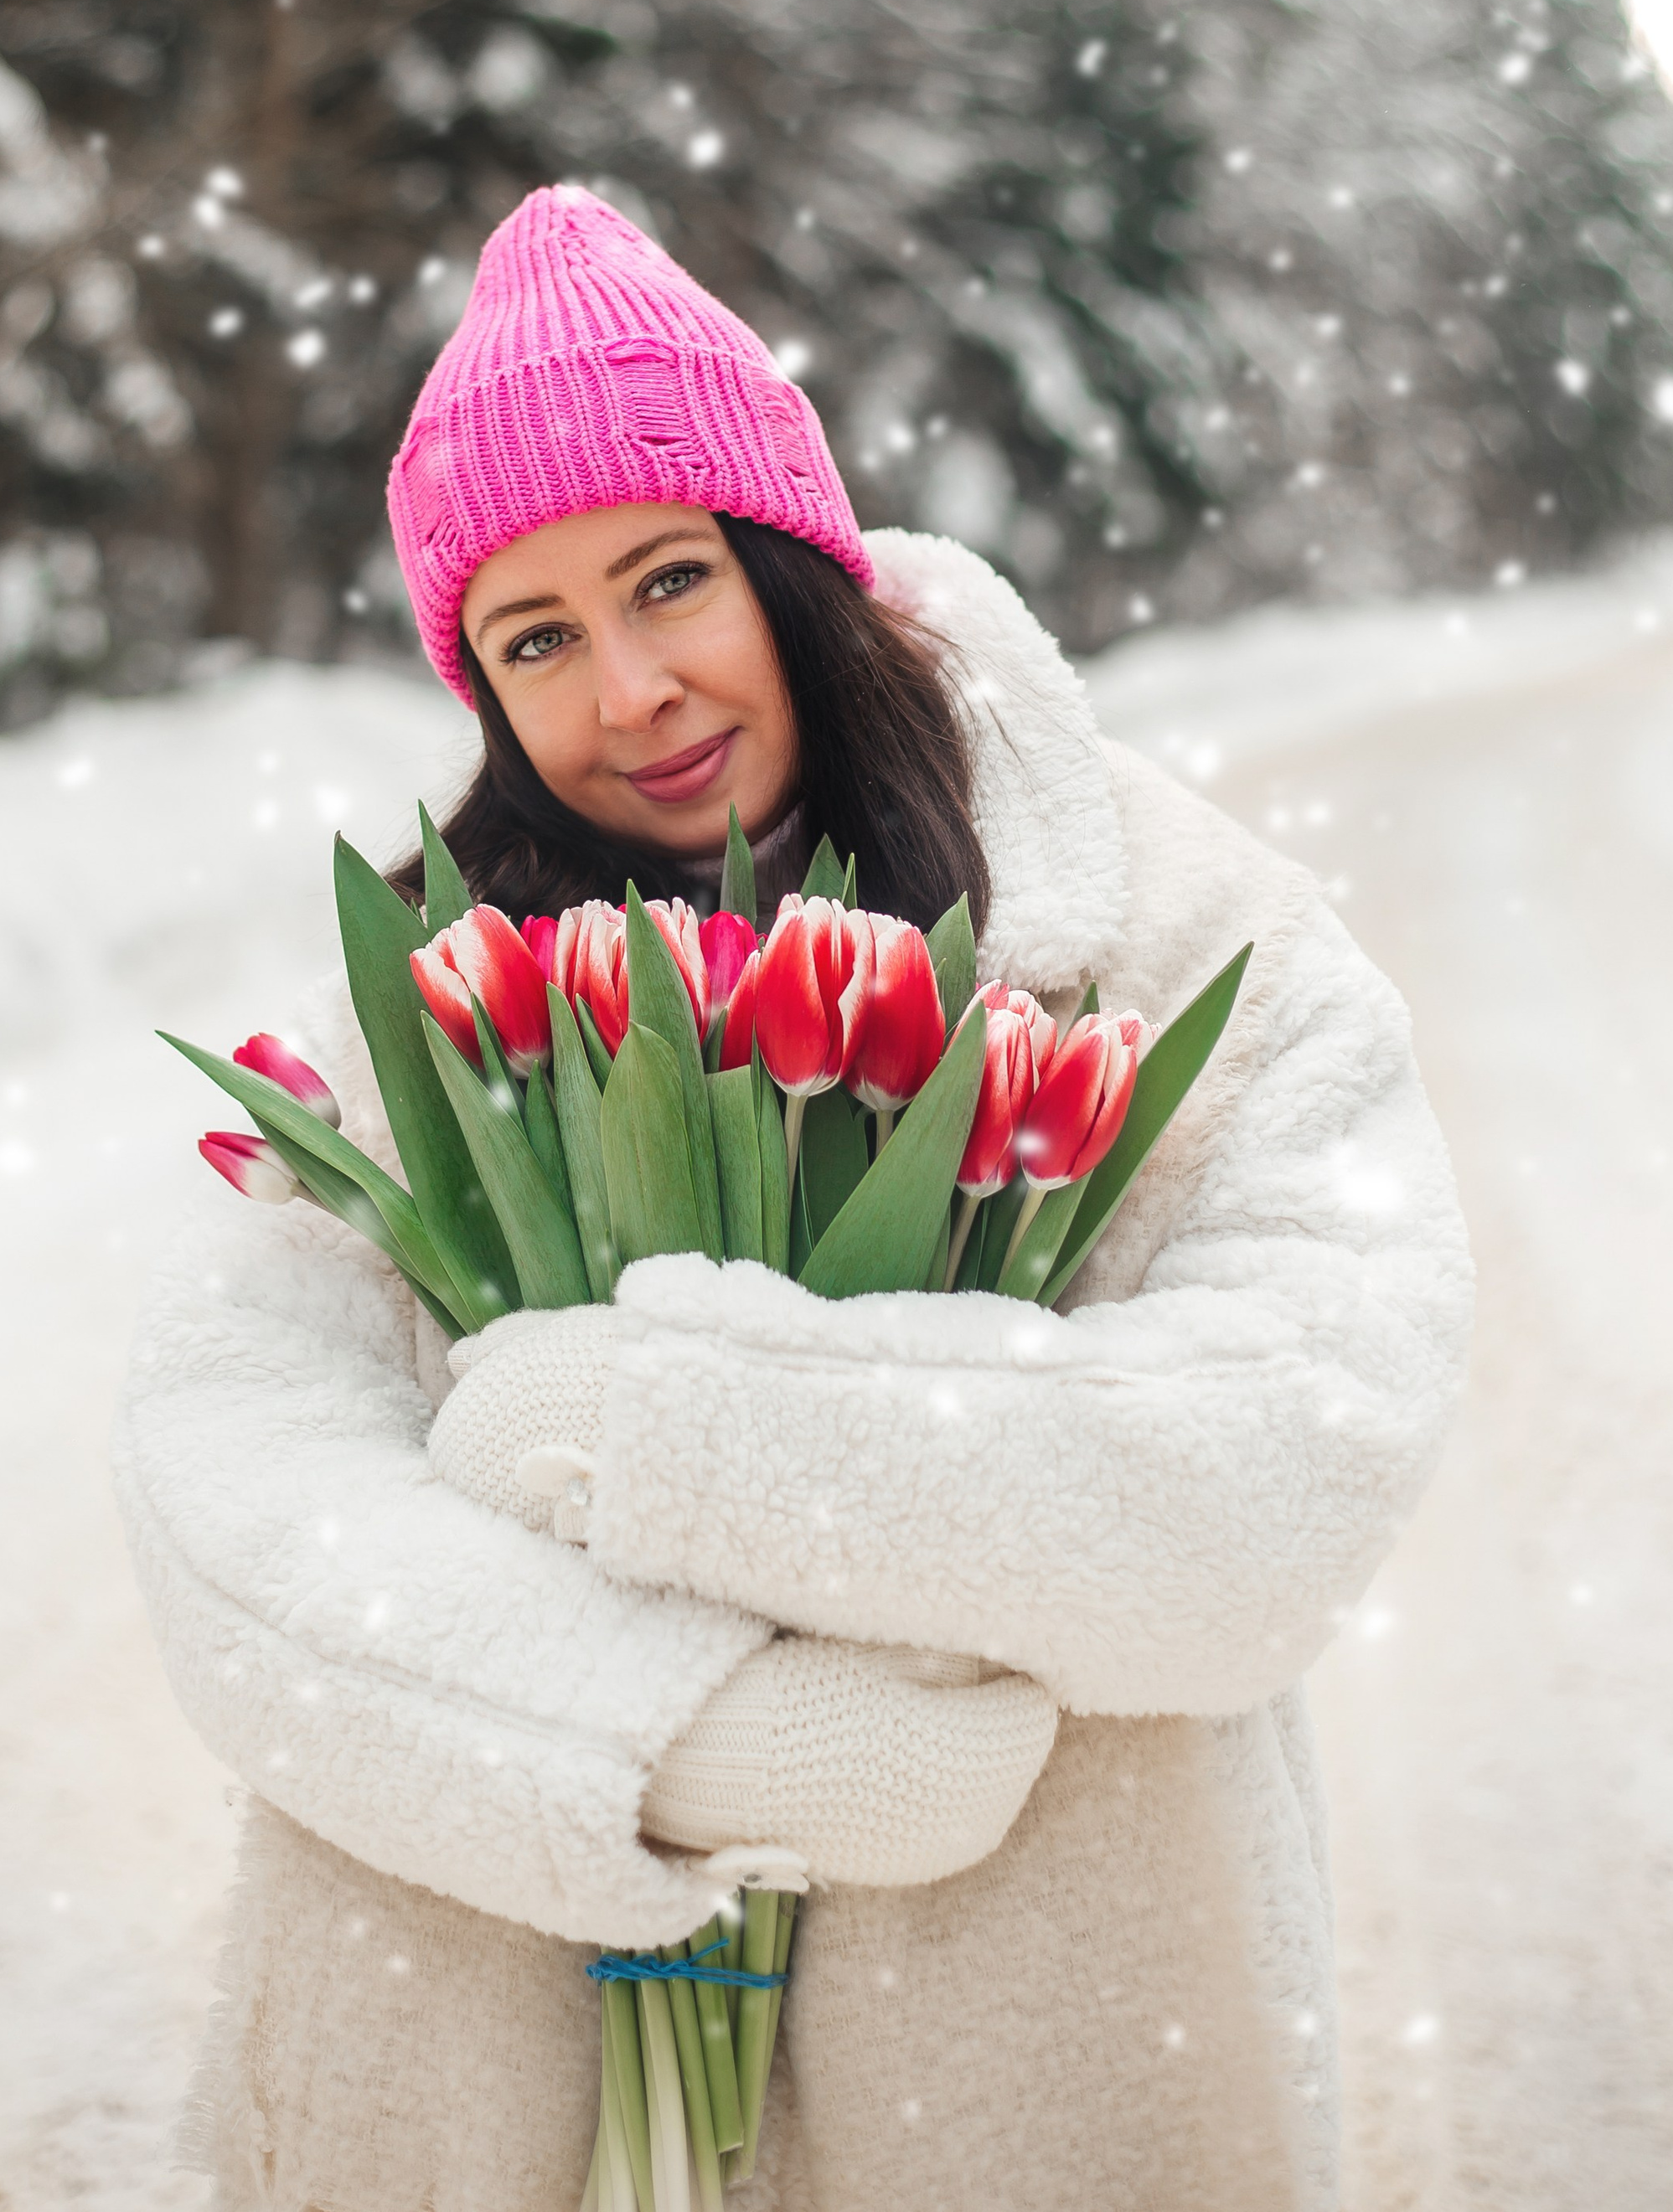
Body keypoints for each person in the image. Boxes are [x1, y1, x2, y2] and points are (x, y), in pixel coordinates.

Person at [116, 184, 1473, 2212]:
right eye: (538, 638)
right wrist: (662, 1745)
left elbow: (1292, 1451)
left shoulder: (1184, 952)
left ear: (790, 564)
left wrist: (662, 1429)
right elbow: (229, 1496)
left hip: (1035, 2080)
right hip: (500, 2104)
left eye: (670, 582)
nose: (631, 692)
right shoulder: (429, 1012)